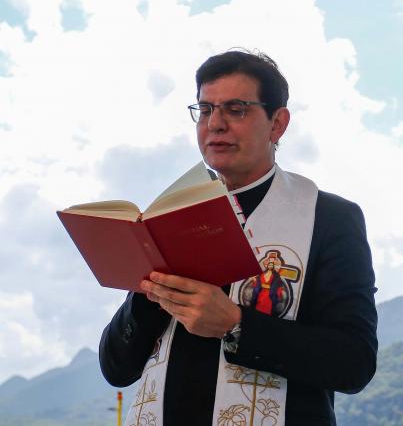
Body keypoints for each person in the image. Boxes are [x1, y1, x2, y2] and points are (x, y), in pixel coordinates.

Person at [99, 50, 377, 425]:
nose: (215, 124)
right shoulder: (168, 218)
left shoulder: (329, 217)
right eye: (205, 109)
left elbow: (354, 361)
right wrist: (150, 294)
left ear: (278, 123)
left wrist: (235, 324)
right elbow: (117, 369)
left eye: (236, 109)